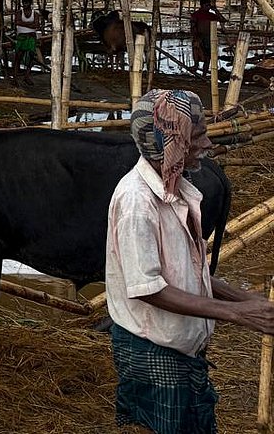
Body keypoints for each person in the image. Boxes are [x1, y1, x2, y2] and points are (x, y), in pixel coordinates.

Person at [106, 88, 274, 434]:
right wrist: (236, 314)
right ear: (168, 140)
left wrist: (245, 299)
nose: (208, 144)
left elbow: (188, 271)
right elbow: (148, 288)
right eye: (197, 135)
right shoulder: (138, 202)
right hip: (153, 353)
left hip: (181, 349)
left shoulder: (176, 189)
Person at [190, 0, 225, 76]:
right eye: (206, 5)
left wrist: (216, 10)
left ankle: (204, 75)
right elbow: (193, 27)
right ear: (202, 6)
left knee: (208, 57)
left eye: (209, 5)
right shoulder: (196, 14)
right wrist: (196, 38)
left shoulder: (211, 15)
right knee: (197, 55)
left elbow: (223, 20)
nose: (208, 7)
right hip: (199, 37)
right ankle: (196, 67)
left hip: (209, 38)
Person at [13, 0, 40, 86]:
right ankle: (15, 78)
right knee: (18, 57)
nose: (25, 5)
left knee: (31, 57)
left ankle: (27, 76)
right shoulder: (19, 13)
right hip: (21, 38)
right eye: (24, 3)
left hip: (31, 38)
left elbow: (36, 25)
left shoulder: (35, 13)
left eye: (27, 3)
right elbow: (17, 22)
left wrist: (23, 24)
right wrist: (30, 24)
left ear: (30, 3)